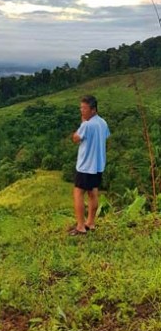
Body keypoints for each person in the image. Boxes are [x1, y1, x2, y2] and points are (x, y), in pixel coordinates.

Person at [69, 94, 109, 235]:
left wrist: (82, 124)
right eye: (81, 108)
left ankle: (80, 226)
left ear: (93, 110)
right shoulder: (103, 123)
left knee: (78, 193)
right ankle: (90, 223)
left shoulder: (87, 124)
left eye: (84, 109)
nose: (82, 111)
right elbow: (105, 137)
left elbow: (75, 138)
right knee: (93, 193)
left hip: (86, 165)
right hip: (98, 165)